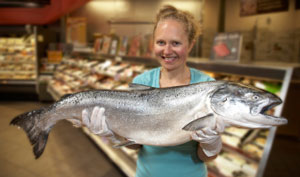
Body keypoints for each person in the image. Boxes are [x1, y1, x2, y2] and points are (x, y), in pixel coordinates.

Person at [82, 5, 223, 177]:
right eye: (161, 42)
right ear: (153, 44)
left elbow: (206, 157)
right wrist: (116, 134)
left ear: (191, 45)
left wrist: (211, 144)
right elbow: (136, 145)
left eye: (176, 43)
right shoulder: (142, 82)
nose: (167, 51)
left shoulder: (207, 86)